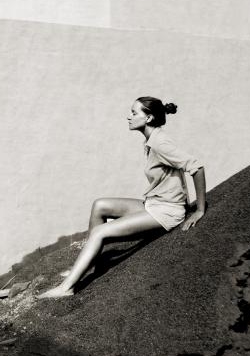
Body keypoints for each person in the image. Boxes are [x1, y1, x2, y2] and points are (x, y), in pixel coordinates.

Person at [37, 96, 207, 299]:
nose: (129, 117)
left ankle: (67, 288)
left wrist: (199, 210)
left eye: (134, 113)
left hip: (167, 211)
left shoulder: (160, 143)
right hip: (154, 203)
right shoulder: (152, 139)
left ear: (149, 118)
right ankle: (90, 263)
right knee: (100, 205)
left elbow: (196, 167)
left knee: (100, 232)